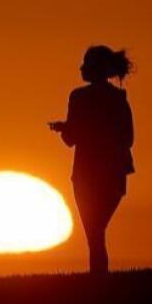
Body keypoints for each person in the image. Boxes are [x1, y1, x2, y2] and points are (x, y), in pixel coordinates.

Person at [49, 45, 135, 275]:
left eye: (85, 63)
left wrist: (64, 129)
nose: (81, 68)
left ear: (94, 68)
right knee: (97, 232)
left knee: (94, 233)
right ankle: (99, 279)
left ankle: (98, 280)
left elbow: (71, 139)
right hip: (115, 173)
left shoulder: (78, 97)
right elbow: (128, 137)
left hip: (86, 174)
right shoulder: (119, 98)